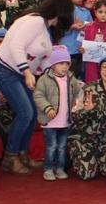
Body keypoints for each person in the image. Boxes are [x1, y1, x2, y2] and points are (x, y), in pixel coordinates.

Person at [0, 0, 74, 175]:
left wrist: (56, 75)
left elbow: (43, 59)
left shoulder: (45, 27)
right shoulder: (35, 21)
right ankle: (10, 156)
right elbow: (16, 46)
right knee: (25, 112)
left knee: (32, 112)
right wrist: (27, 72)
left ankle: (22, 153)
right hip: (6, 70)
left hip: (20, 73)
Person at [69, 52, 106, 180]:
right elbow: (74, 117)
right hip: (86, 139)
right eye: (104, 67)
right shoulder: (88, 90)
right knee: (88, 174)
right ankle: (74, 152)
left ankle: (101, 161)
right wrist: (87, 111)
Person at [34, 46, 84, 181]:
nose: (65, 67)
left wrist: (78, 103)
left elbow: (78, 92)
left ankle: (60, 168)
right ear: (53, 65)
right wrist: (47, 108)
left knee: (62, 147)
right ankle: (48, 169)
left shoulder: (71, 78)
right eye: (61, 63)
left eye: (67, 64)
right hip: (50, 122)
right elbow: (38, 95)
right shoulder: (44, 79)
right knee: (51, 147)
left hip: (65, 121)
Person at [59, 0, 91, 79]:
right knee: (65, 78)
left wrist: (86, 28)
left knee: (79, 77)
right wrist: (71, 27)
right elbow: (55, 31)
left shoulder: (85, 12)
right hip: (66, 51)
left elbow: (91, 30)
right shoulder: (61, 11)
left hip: (81, 51)